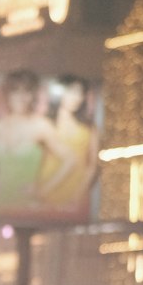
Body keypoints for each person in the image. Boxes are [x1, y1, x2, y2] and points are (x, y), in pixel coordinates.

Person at [0, 69, 76, 217]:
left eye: (26, 92)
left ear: (33, 95)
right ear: (8, 95)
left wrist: (44, 189)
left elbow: (70, 159)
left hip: (28, 205)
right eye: (16, 91)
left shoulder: (41, 126)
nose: (21, 98)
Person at [39, 75, 99, 213]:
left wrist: (77, 197)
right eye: (71, 91)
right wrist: (42, 190)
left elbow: (92, 167)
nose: (76, 97)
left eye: (80, 93)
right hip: (48, 188)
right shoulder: (46, 123)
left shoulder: (89, 127)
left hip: (77, 191)